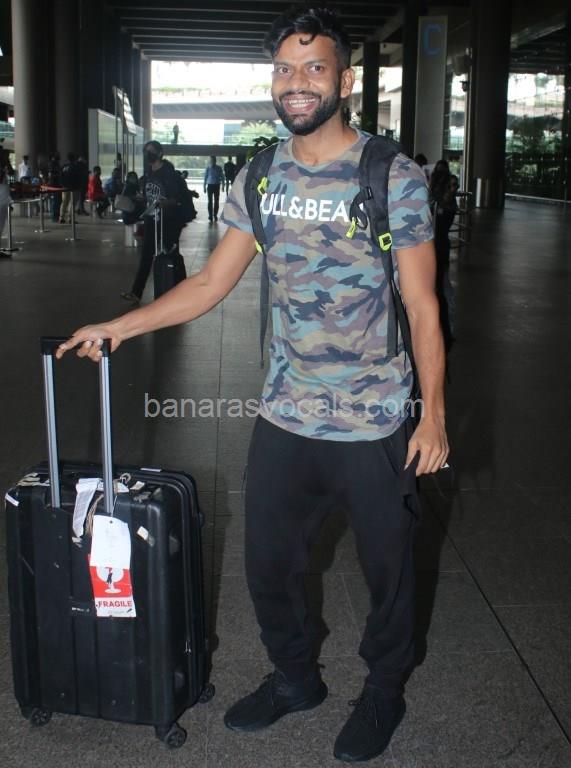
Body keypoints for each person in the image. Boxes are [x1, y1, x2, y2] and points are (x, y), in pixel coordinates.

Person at [57, 7, 448, 763]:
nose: (297, 83)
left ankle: (383, 690)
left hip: (373, 422)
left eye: (314, 68)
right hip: (285, 414)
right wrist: (119, 326)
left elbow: (423, 305)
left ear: (344, 81)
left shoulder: (389, 175)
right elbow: (210, 283)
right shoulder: (262, 175)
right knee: (268, 567)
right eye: (284, 69)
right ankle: (295, 678)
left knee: (390, 575)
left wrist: (431, 416)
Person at [120, 140, 187, 303]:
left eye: (150, 151)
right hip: (151, 220)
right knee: (146, 256)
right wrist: (143, 199)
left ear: (159, 153)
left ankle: (181, 291)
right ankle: (136, 293)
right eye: (146, 152)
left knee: (171, 255)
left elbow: (177, 198)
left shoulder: (169, 174)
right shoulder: (148, 173)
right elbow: (149, 195)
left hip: (168, 222)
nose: (147, 155)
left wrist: (163, 203)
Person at [429, 160, 457, 346]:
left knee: (441, 289)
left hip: (436, 249)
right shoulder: (444, 204)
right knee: (443, 289)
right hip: (439, 249)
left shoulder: (436, 204)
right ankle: (447, 329)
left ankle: (446, 330)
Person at [0, 149, 13, 257]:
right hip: (1, 201)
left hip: (3, 200)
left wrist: (6, 162)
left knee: (1, 225)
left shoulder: (3, 165)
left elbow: (11, 172)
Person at [60, 152, 79, 224]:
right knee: (72, 203)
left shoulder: (64, 167)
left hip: (64, 187)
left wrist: (62, 184)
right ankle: (70, 218)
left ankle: (61, 217)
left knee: (64, 202)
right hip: (73, 188)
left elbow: (61, 176)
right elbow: (77, 178)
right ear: (74, 159)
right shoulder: (75, 167)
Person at [203, 155, 224, 222]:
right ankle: (210, 215)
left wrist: (223, 186)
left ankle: (215, 214)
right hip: (210, 186)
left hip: (217, 185)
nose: (212, 161)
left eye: (213, 160)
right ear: (210, 161)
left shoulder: (219, 168)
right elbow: (205, 177)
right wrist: (204, 187)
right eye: (211, 160)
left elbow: (222, 177)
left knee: (216, 201)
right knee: (210, 201)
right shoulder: (208, 168)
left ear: (215, 160)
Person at [47, 153, 62, 223]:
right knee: (55, 201)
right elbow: (51, 174)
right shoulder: (52, 164)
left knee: (57, 201)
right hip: (54, 185)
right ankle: (54, 216)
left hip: (57, 184)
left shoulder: (56, 164)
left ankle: (57, 215)